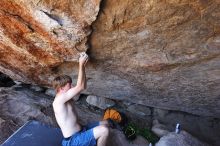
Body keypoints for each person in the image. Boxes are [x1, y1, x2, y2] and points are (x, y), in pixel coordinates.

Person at [52, 52, 109, 146]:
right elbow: (80, 87)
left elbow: (83, 86)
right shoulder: (58, 101)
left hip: (82, 130)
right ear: (61, 88)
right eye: (69, 86)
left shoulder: (65, 96)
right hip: (73, 141)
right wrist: (80, 64)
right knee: (104, 130)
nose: (72, 87)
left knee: (106, 123)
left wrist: (83, 66)